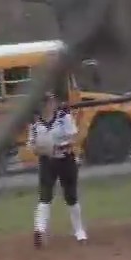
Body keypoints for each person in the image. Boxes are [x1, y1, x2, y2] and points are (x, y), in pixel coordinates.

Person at [27, 92, 88, 248]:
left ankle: (79, 231)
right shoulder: (35, 124)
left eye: (51, 101)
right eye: (47, 102)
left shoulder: (63, 117)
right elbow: (32, 146)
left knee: (71, 196)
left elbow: (74, 137)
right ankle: (39, 231)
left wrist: (61, 147)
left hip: (65, 160)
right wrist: (43, 150)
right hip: (47, 162)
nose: (50, 104)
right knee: (45, 197)